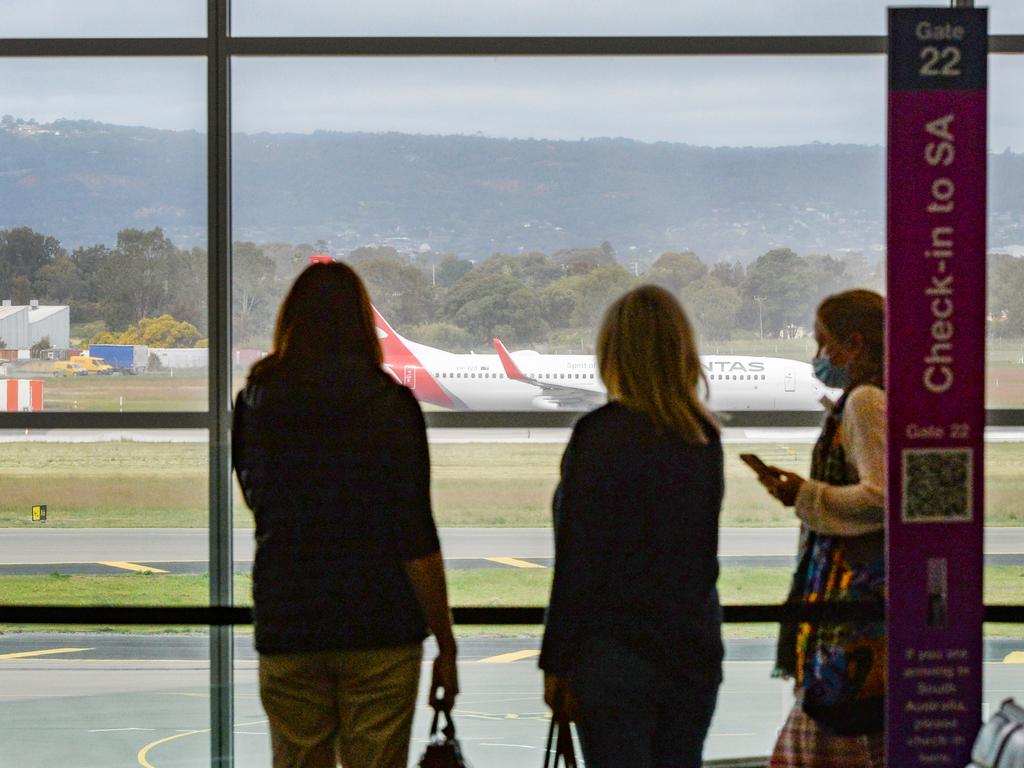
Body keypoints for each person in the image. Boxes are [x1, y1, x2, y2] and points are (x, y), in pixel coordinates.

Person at [232, 261, 458, 768]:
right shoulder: (391, 405)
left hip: (289, 619)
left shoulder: (255, 401)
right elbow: (416, 536)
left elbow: (257, 501)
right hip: (380, 625)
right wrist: (445, 641)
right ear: (361, 323)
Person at [539, 285, 723, 768]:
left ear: (612, 352)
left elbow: (579, 565)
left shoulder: (598, 436)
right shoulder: (702, 436)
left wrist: (556, 662)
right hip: (691, 652)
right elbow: (701, 558)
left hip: (615, 655)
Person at [754, 289, 886, 767]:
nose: (818, 357)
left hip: (852, 599)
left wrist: (803, 495)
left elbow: (881, 498)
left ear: (853, 344)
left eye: (822, 342)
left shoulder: (865, 402)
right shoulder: (881, 395)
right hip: (860, 599)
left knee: (833, 725)